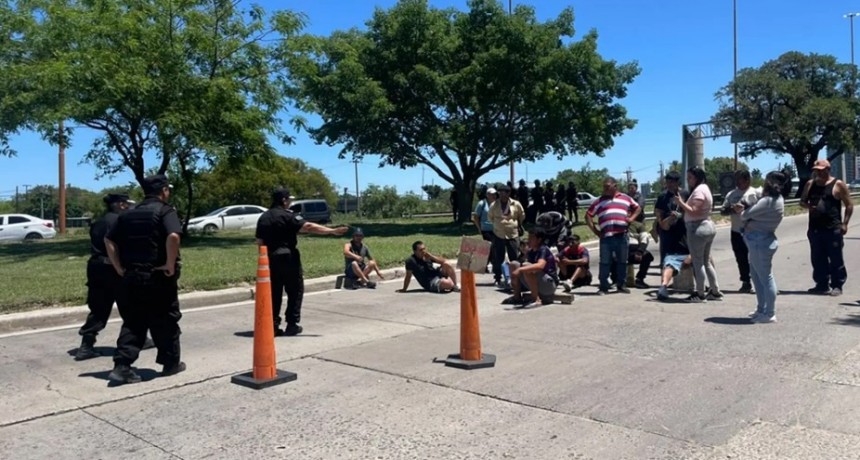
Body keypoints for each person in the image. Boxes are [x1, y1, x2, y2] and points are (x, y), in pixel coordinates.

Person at [104, 174, 184, 384]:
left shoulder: (128, 213)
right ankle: (170, 363)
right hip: (158, 275)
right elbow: (173, 236)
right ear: (164, 191)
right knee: (166, 319)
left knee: (133, 321)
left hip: (131, 276)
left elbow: (109, 239)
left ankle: (122, 366)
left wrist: (118, 267)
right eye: (168, 189)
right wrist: (170, 263)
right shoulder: (165, 211)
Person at [256, 187, 348, 337]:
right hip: (288, 257)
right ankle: (292, 324)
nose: (290, 202)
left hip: (269, 259)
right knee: (295, 290)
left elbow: (260, 242)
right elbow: (308, 226)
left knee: (273, 292)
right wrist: (331, 231)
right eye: (289, 199)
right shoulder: (288, 215)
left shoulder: (263, 217)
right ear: (284, 200)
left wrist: (263, 262)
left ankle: (273, 325)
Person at [75, 193, 143, 360]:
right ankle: (135, 339)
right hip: (114, 268)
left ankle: (86, 345)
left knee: (99, 307)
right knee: (131, 305)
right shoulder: (120, 221)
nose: (128, 207)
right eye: (126, 204)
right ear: (120, 205)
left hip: (96, 266)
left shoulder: (99, 221)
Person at [736, 171, 786, 323]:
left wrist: (742, 210)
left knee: (765, 277)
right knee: (757, 276)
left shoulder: (768, 201)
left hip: (760, 241)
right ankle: (761, 309)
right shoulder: (777, 199)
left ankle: (769, 313)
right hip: (761, 240)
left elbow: (745, 215)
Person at [800, 159, 854, 296]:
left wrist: (845, 223)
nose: (818, 173)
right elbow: (802, 201)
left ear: (828, 169)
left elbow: (849, 204)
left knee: (836, 258)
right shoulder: (810, 184)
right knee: (818, 258)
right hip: (815, 228)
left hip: (833, 228)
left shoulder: (838, 184)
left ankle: (837, 285)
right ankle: (821, 284)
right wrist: (808, 206)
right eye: (816, 170)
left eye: (821, 170)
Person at [674, 167, 722, 303]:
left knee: (698, 262)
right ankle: (715, 291)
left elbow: (694, 210)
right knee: (706, 261)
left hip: (698, 228)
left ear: (697, 177)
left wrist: (680, 203)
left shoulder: (699, 190)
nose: (688, 180)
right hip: (706, 225)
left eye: (690, 177)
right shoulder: (705, 188)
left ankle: (700, 294)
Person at [586, 176, 641, 295]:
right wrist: (595, 231)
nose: (605, 189)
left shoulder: (626, 198)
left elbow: (637, 208)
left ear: (615, 186)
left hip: (622, 235)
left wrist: (631, 219)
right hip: (606, 236)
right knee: (605, 262)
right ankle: (603, 286)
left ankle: (621, 285)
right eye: (604, 187)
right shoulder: (600, 201)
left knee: (622, 261)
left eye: (607, 187)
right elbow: (588, 215)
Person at [720, 169, 758, 293]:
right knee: (741, 258)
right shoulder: (731, 194)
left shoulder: (756, 193)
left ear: (747, 180)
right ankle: (746, 281)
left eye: (740, 180)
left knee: (755, 258)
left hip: (753, 231)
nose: (737, 182)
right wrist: (732, 209)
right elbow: (723, 211)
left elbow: (763, 210)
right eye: (736, 180)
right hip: (736, 231)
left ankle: (758, 281)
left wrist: (746, 208)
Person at [508, 230, 559, 308]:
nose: (529, 240)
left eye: (531, 238)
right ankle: (517, 297)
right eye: (529, 237)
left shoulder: (543, 249)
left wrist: (520, 270)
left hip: (549, 285)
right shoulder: (531, 251)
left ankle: (536, 300)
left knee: (526, 266)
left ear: (539, 240)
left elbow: (540, 266)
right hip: (539, 283)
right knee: (514, 264)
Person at [488, 184, 526, 287]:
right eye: (500, 193)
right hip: (498, 234)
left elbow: (521, 216)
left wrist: (515, 224)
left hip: (512, 234)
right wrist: (499, 224)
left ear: (508, 193)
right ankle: (498, 278)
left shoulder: (516, 204)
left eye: (504, 192)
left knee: (514, 256)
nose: (501, 195)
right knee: (498, 258)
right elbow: (490, 218)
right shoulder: (494, 205)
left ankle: (517, 278)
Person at [626, 220, 654, 289]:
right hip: (619, 249)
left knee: (648, 256)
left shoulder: (638, 225)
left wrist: (640, 252)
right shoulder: (616, 224)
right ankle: (615, 280)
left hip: (633, 250)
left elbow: (644, 239)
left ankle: (640, 279)